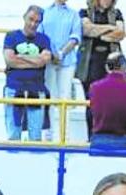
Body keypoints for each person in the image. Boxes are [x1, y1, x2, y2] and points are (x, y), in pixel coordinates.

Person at [2, 6, 54, 142]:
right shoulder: (11, 36)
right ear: (24, 17)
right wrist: (34, 60)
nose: (33, 24)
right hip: (14, 88)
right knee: (13, 134)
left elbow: (43, 61)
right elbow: (9, 60)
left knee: (36, 136)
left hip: (36, 90)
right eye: (31, 19)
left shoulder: (44, 39)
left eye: (37, 21)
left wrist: (20, 57)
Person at [76, 0, 126, 137]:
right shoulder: (84, 12)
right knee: (91, 103)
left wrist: (98, 32)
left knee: (111, 103)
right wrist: (110, 28)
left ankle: (109, 136)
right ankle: (92, 136)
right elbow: (87, 30)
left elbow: (120, 33)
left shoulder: (117, 13)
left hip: (112, 65)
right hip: (90, 65)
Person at [38, 0, 83, 141]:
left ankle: (64, 136)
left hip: (68, 61)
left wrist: (61, 53)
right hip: (49, 61)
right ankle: (49, 133)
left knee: (65, 97)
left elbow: (75, 37)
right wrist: (51, 54)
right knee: (49, 97)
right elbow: (40, 35)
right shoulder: (44, 12)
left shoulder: (74, 15)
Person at [87, 52, 126, 150]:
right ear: (124, 67)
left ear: (107, 67)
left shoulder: (94, 87)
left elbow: (93, 110)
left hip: (99, 140)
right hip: (123, 140)